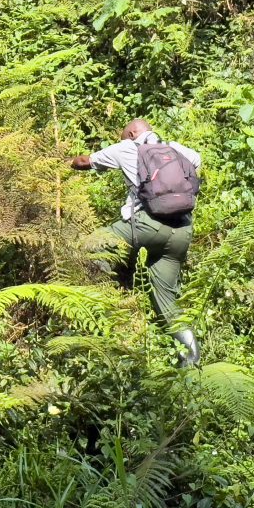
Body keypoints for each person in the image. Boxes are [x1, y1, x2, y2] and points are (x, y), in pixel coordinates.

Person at [70, 119, 202, 367]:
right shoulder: (176, 148)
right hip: (181, 232)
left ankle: (111, 293)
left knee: (91, 245)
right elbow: (196, 162)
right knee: (167, 302)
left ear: (131, 133)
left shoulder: (126, 148)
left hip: (147, 225)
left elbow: (85, 162)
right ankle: (192, 362)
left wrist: (67, 162)